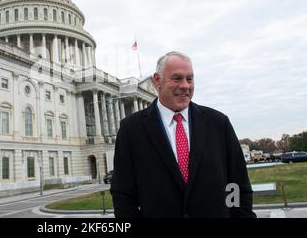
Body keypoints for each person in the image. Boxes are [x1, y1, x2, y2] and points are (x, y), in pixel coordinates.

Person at [110, 51, 256, 218]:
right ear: (157, 80)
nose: (186, 86)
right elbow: (123, 195)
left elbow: (237, 186)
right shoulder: (131, 130)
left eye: (190, 79)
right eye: (177, 78)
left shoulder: (218, 123)